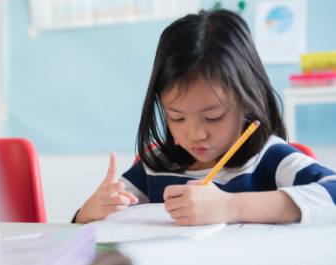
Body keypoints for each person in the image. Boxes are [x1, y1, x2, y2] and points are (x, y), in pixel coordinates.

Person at [74, 9, 336, 225]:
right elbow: (84, 227)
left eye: (213, 117)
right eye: (177, 118)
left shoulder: (269, 159)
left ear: (246, 102)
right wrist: (90, 211)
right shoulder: (156, 167)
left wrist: (231, 207)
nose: (196, 134)